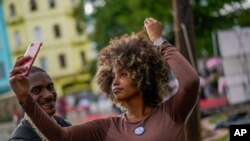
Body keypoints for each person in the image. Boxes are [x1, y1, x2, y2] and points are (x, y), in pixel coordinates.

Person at [9, 17, 199, 141]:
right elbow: (60, 137)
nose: (115, 81)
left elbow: (190, 82)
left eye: (123, 74)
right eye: (112, 76)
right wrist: (25, 98)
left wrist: (158, 41)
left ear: (144, 77)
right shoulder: (105, 128)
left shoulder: (171, 113)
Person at [9, 66, 71, 141]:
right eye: (36, 90)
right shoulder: (22, 138)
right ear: (22, 97)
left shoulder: (64, 124)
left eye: (50, 87)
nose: (48, 95)